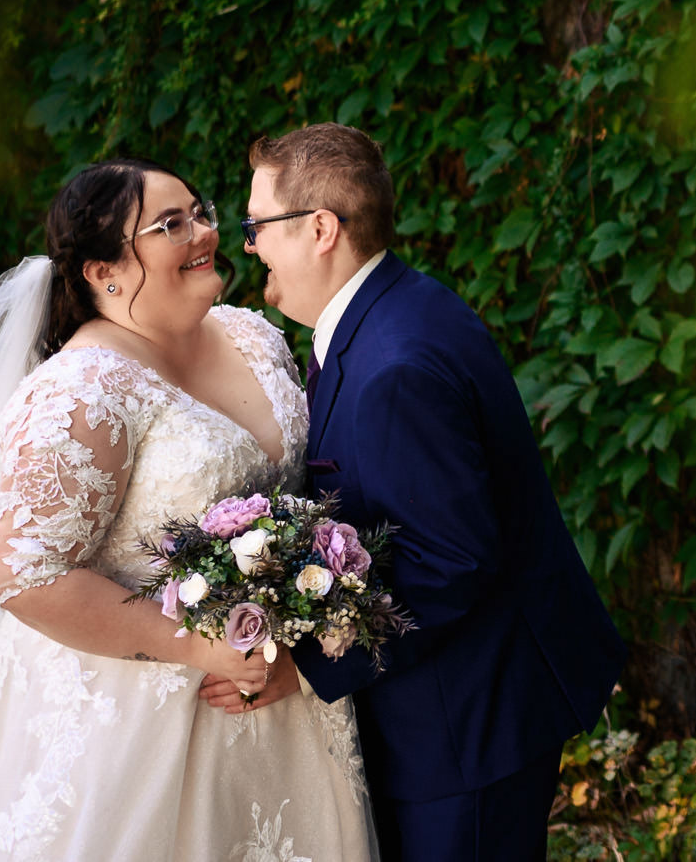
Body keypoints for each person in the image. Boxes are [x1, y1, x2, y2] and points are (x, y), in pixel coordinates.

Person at [0, 159, 375, 861]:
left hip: (281, 702)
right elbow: (26, 577)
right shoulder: (80, 393)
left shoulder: (252, 335)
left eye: (199, 211)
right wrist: (205, 646)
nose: (205, 231)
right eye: (171, 224)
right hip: (141, 731)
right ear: (104, 271)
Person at [222, 123, 624, 862]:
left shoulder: (394, 364)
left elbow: (450, 560)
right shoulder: (390, 310)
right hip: (463, 704)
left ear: (319, 229)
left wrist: (307, 666)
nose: (248, 245)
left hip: (466, 722)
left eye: (256, 225)